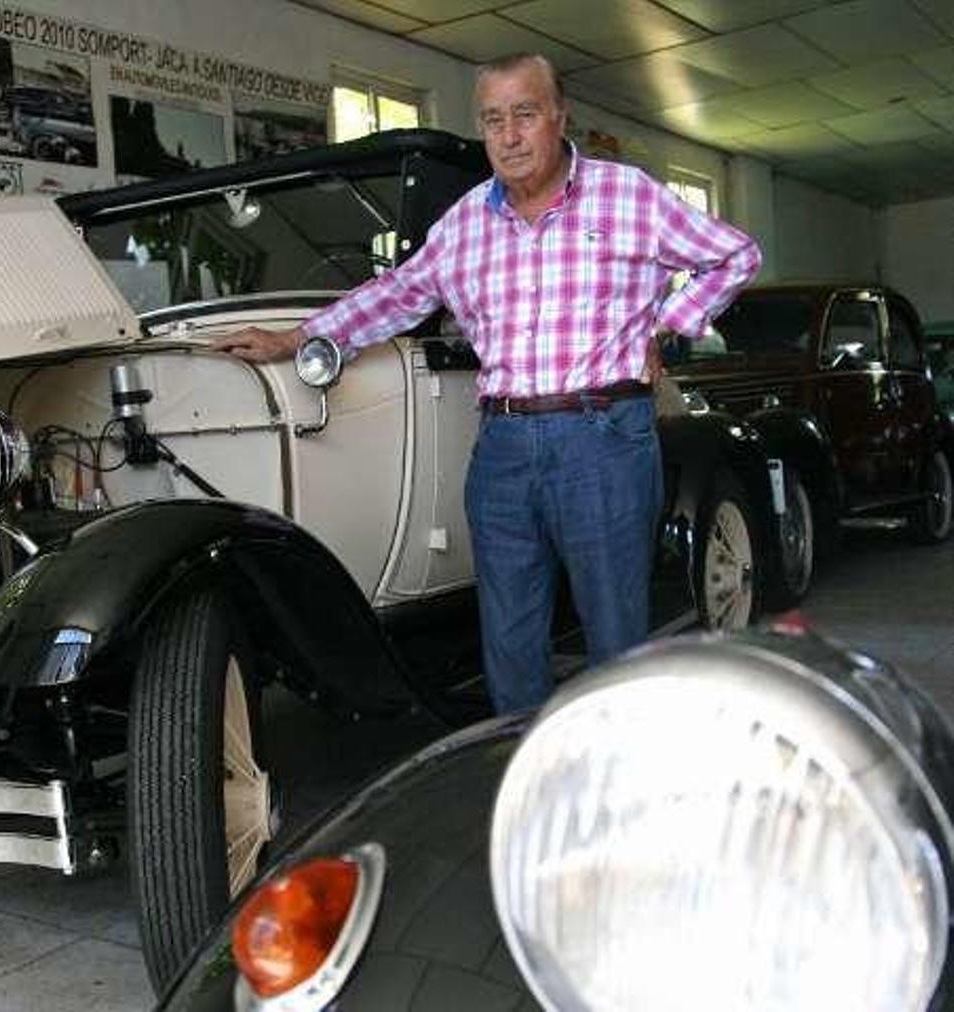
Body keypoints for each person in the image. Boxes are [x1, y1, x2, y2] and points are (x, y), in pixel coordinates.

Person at [212, 53, 761, 713]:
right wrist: (295, 338)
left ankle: (617, 767)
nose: (509, 136)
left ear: (558, 118)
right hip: (502, 447)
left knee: (615, 635)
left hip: (603, 441)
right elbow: (397, 295)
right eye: (493, 120)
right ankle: (519, 765)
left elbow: (735, 255)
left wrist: (665, 326)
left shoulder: (627, 196)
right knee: (509, 640)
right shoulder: (465, 222)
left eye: (525, 115)